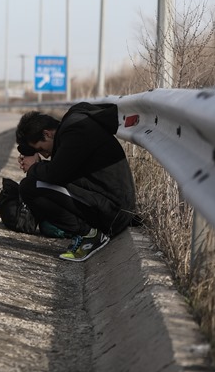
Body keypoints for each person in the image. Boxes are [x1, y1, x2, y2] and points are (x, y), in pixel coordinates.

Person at [15, 102, 136, 262]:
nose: (44, 155)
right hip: (111, 204)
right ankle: (88, 231)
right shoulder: (73, 126)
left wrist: (34, 168)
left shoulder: (76, 131)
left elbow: (55, 175)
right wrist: (38, 166)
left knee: (30, 186)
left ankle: (90, 235)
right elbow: (62, 171)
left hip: (113, 212)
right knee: (36, 182)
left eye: (42, 149)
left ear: (47, 134)